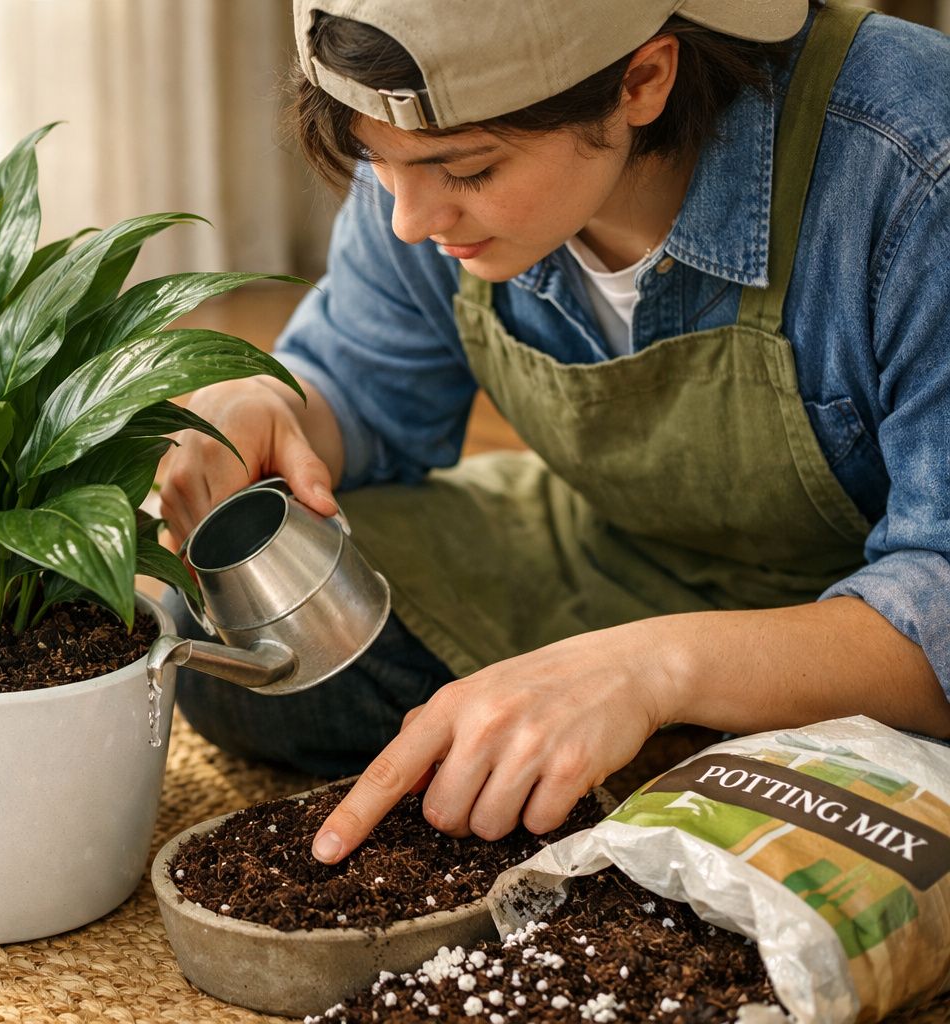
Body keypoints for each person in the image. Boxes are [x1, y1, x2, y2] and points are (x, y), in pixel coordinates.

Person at [157, 0, 950, 868]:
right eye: (378, 163)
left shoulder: (912, 165)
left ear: (643, 79)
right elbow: (363, 382)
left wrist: (652, 671)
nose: (411, 222)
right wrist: (281, 410)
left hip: (876, 627)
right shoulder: (425, 156)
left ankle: (684, 721)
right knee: (253, 656)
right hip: (627, 556)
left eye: (466, 171)